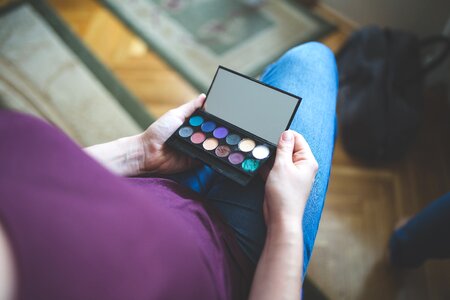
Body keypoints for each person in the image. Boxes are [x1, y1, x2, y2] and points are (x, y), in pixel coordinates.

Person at [0, 41, 337, 300]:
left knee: (257, 107)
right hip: (233, 261)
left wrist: (139, 152)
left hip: (153, 180)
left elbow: (50, 177)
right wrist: (286, 222)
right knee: (310, 59)